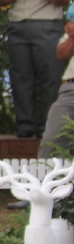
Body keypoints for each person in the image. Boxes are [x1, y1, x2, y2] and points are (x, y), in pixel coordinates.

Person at [0, 0, 72, 139]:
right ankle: (25, 124)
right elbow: (1, 0)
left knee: (50, 77)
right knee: (21, 77)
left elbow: (65, 0)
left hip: (47, 27)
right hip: (18, 27)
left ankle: (49, 126)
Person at [38, 12, 74, 159]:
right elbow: (62, 54)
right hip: (71, 89)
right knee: (52, 141)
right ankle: (45, 180)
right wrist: (72, 37)